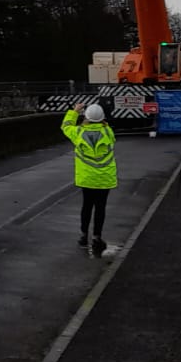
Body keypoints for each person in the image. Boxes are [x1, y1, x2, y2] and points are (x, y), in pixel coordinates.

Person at [62, 101, 117, 255]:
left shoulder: (78, 133)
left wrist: (75, 111)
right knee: (100, 208)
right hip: (104, 178)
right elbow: (106, 128)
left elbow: (65, 126)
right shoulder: (108, 132)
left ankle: (83, 236)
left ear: (85, 117)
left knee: (86, 206)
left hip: (87, 178)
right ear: (102, 119)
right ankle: (97, 237)